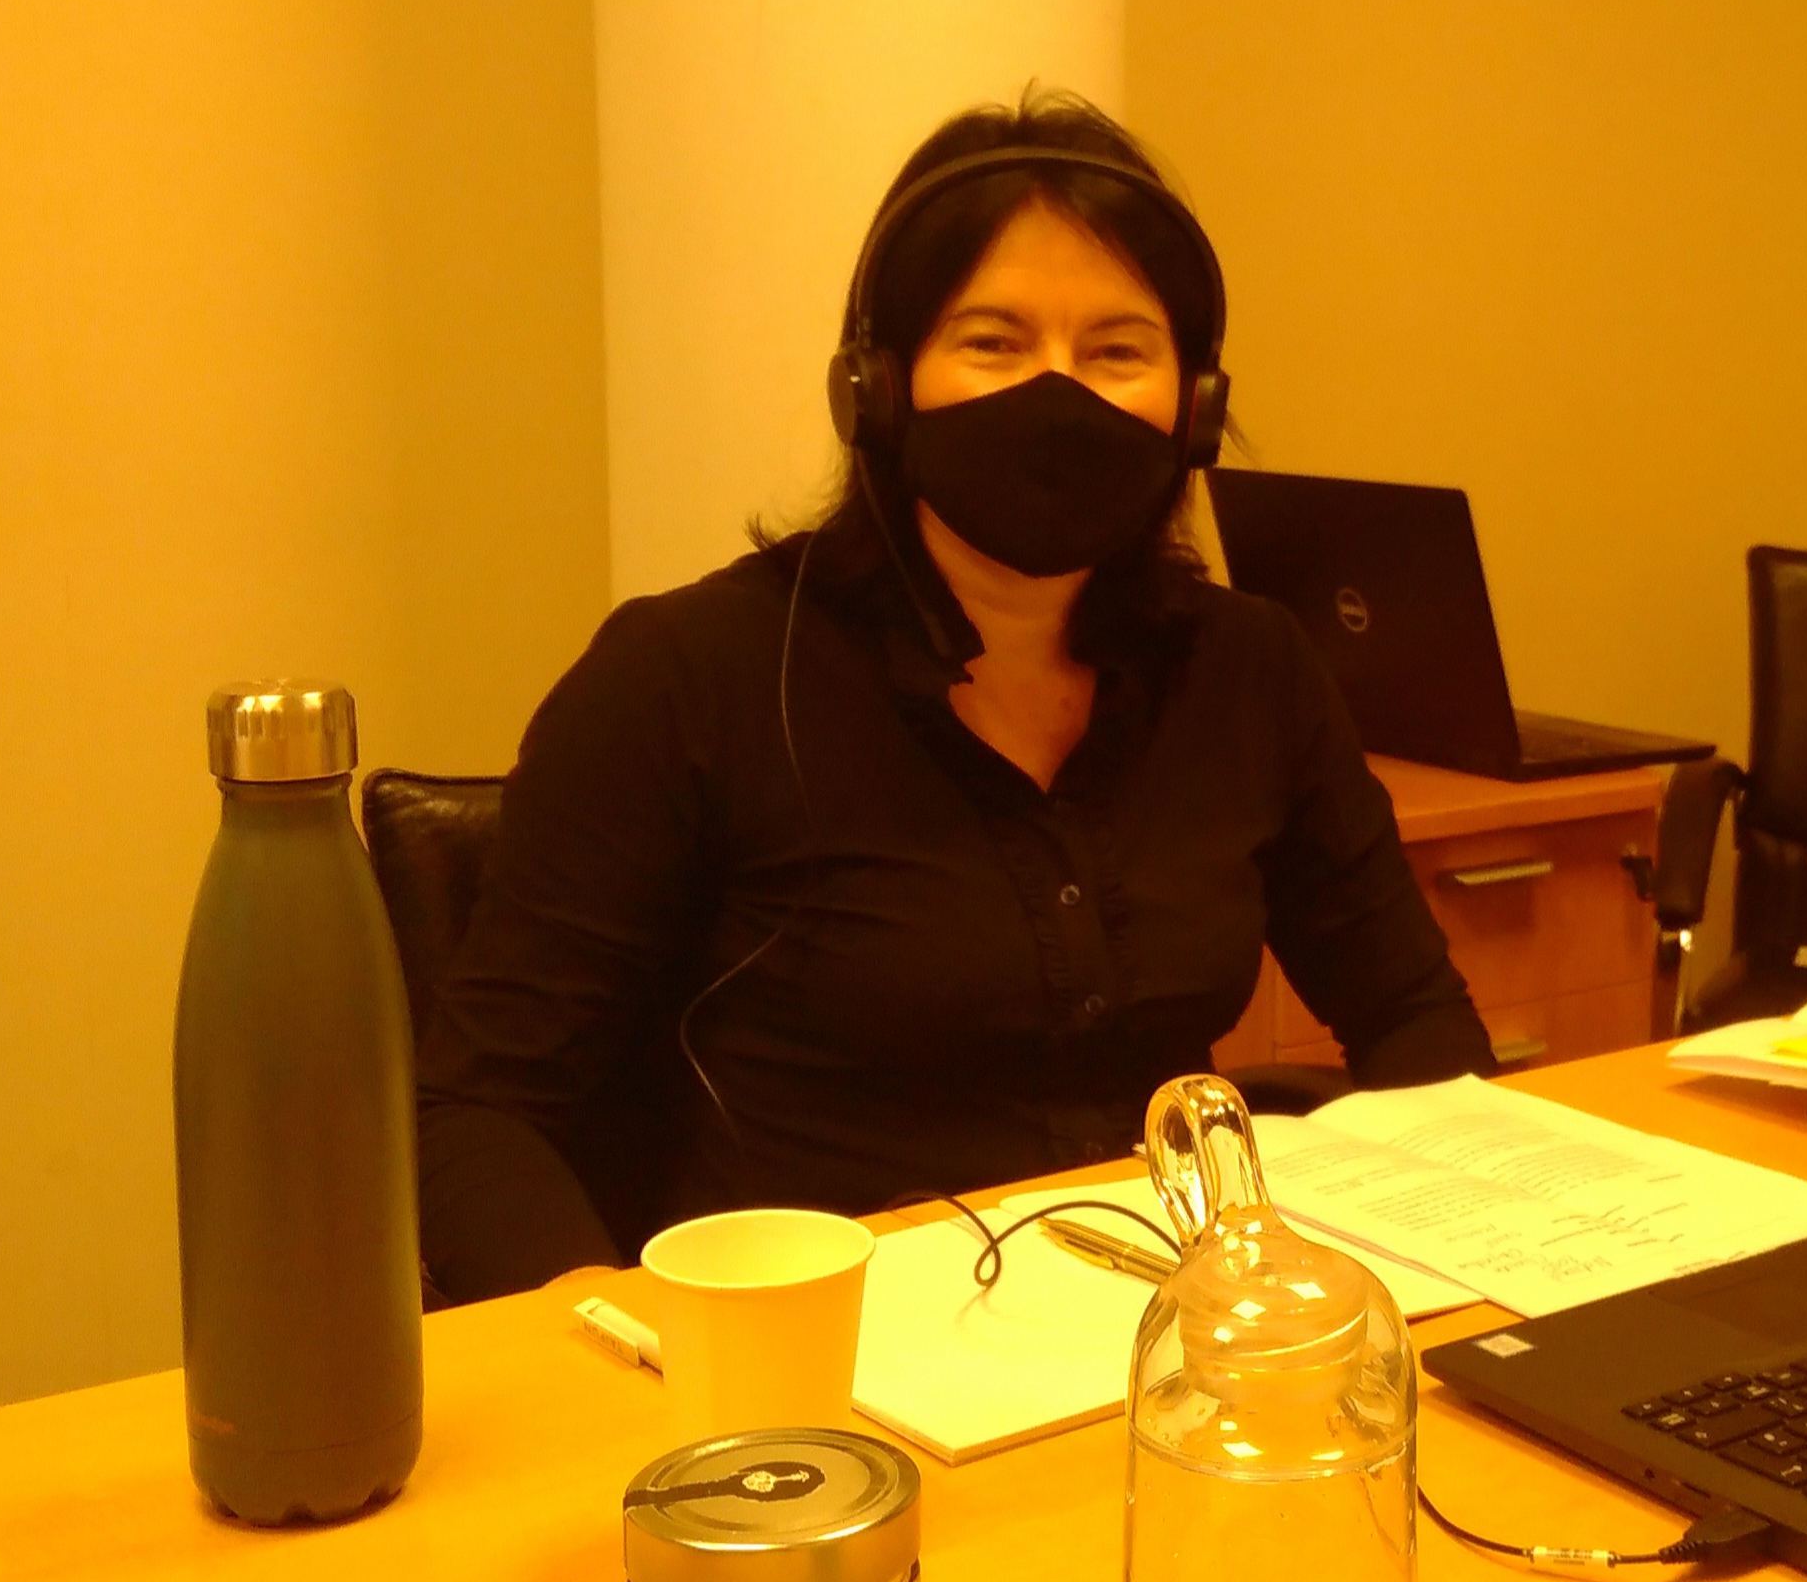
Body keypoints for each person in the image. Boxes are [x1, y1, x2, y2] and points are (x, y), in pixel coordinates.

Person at [414, 91, 1491, 1304]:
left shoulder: (1253, 670)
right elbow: (475, 1116)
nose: (1058, 393)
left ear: (1191, 407)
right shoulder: (684, 675)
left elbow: (1417, 1025)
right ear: (877, 388)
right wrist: (635, 1355)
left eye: (1117, 351)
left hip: (1164, 1330)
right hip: (813, 1352)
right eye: (992, 342)